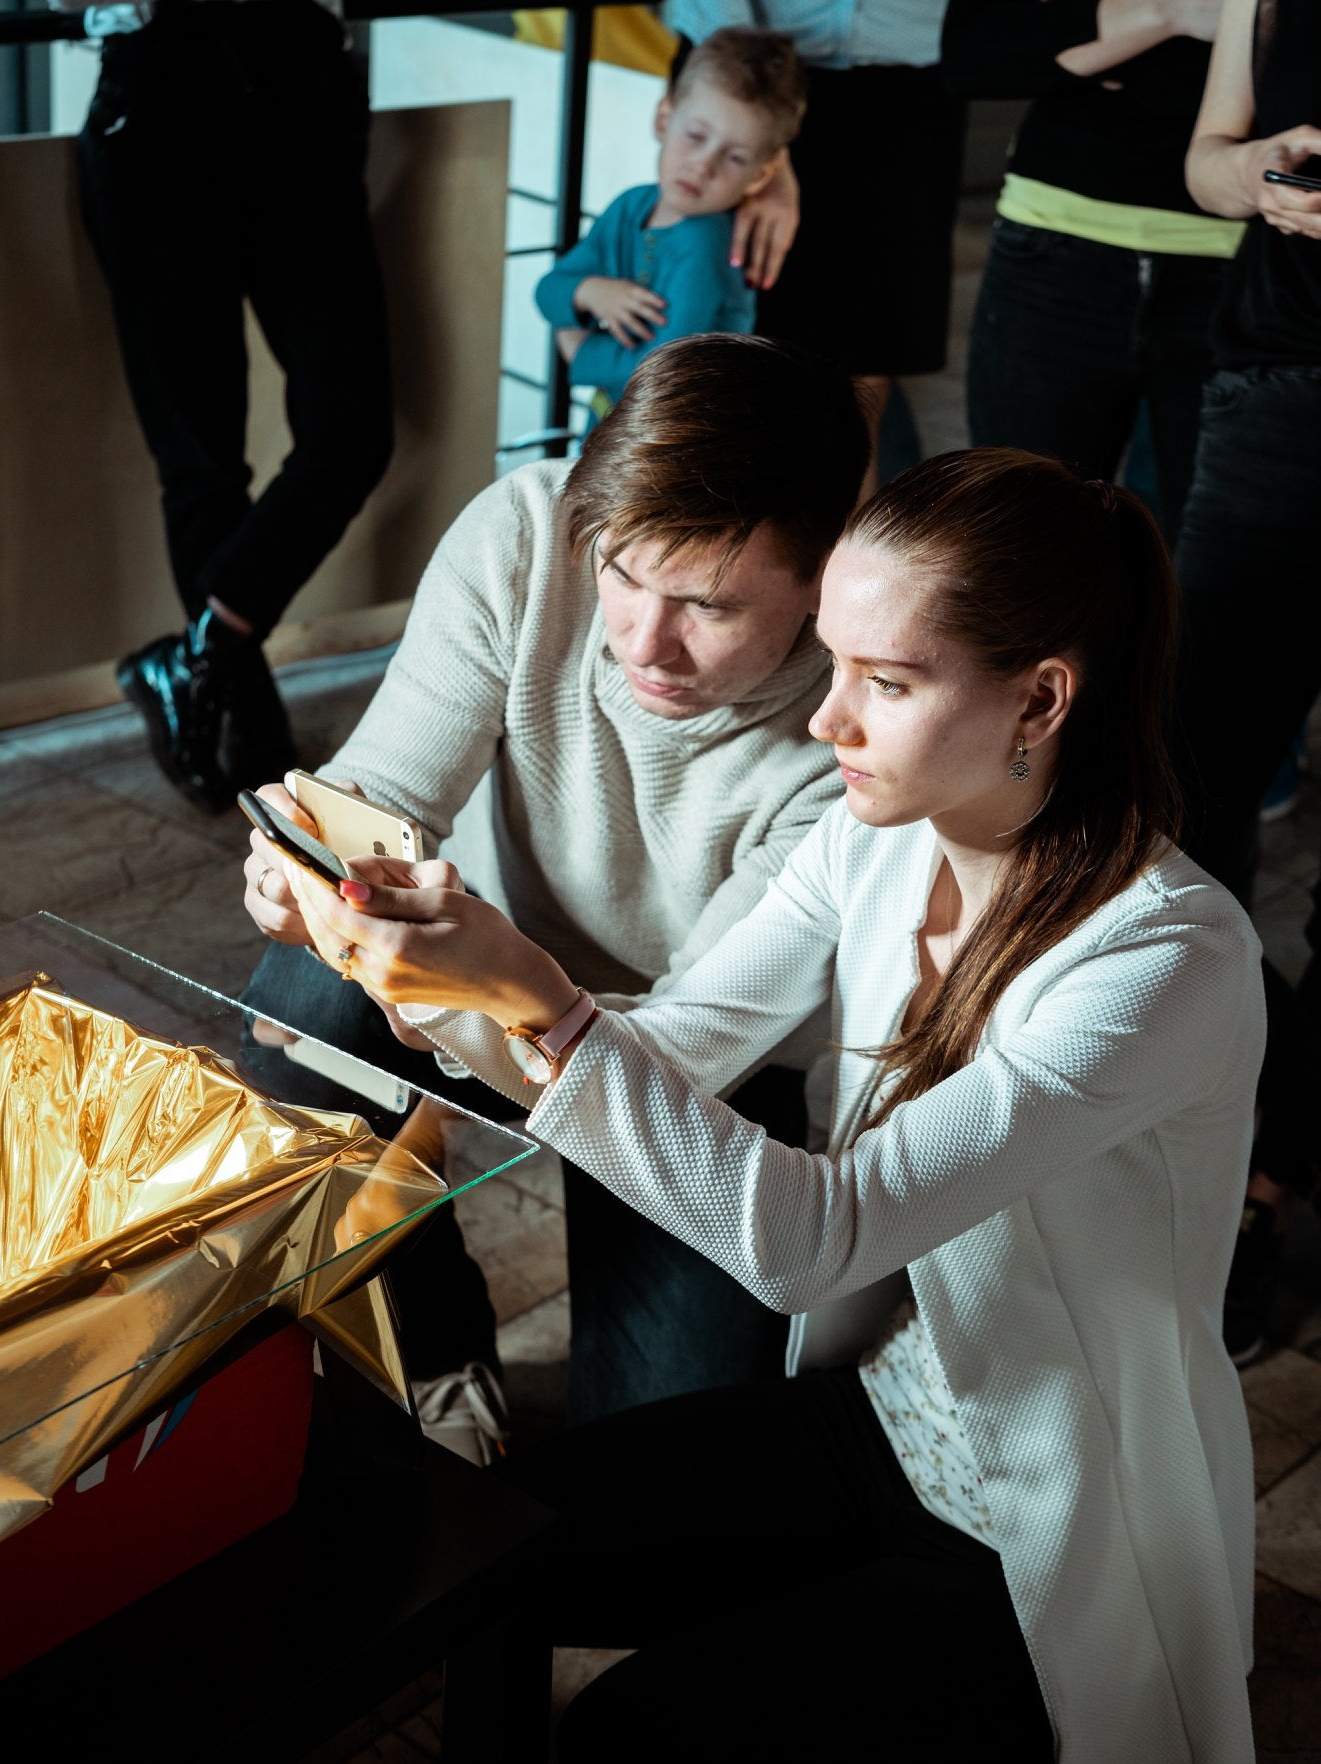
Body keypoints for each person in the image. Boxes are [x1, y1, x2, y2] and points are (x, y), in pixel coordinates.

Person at [285, 447, 1264, 1763]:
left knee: (630, 1731)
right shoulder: (874, 837)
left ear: (1039, 699)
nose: (825, 719)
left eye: (887, 681)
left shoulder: (1163, 960)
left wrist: (545, 1005)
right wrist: (437, 977)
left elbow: (820, 1237)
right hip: (875, 1416)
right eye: (833, 661)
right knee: (489, 1555)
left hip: (1050, 1525)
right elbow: (679, 1042)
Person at [241, 333, 870, 1434]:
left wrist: (500, 991)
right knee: (303, 1010)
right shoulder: (535, 528)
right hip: (486, 979)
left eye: (709, 605)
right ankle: (435, 1343)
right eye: (622, 573)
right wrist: (306, 859)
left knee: (663, 1457)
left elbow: (682, 1043)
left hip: (704, 1061)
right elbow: (379, 791)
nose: (647, 641)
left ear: (823, 582)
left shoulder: (855, 729)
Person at [32, 0, 393, 812]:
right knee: (200, 456)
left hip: (301, 120)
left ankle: (197, 658)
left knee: (352, 429)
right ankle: (241, 703)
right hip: (153, 132)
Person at [942, 0, 1321, 544]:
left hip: (1241, 255)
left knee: (1196, 582)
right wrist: (1174, 5)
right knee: (1015, 554)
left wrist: (1090, 35)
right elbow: (976, 50)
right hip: (1056, 243)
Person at [632, 0, 1017, 455]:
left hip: (906, 80)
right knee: (741, 360)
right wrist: (765, 146)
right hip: (750, 77)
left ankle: (849, 553)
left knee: (866, 366)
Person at [1180, 0, 1321, 1361]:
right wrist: (1264, 176)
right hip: (1278, 384)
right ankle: (1209, 1149)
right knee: (1189, 785)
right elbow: (1205, 156)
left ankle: (1276, 1176)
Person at [535, 26, 805, 423]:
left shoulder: (707, 242)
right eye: (696, 135)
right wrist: (591, 290)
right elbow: (549, 289)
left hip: (683, 436)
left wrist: (578, 350)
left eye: (734, 157)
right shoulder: (631, 206)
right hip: (620, 424)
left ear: (761, 176)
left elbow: (662, 368)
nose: (703, 165)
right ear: (664, 119)